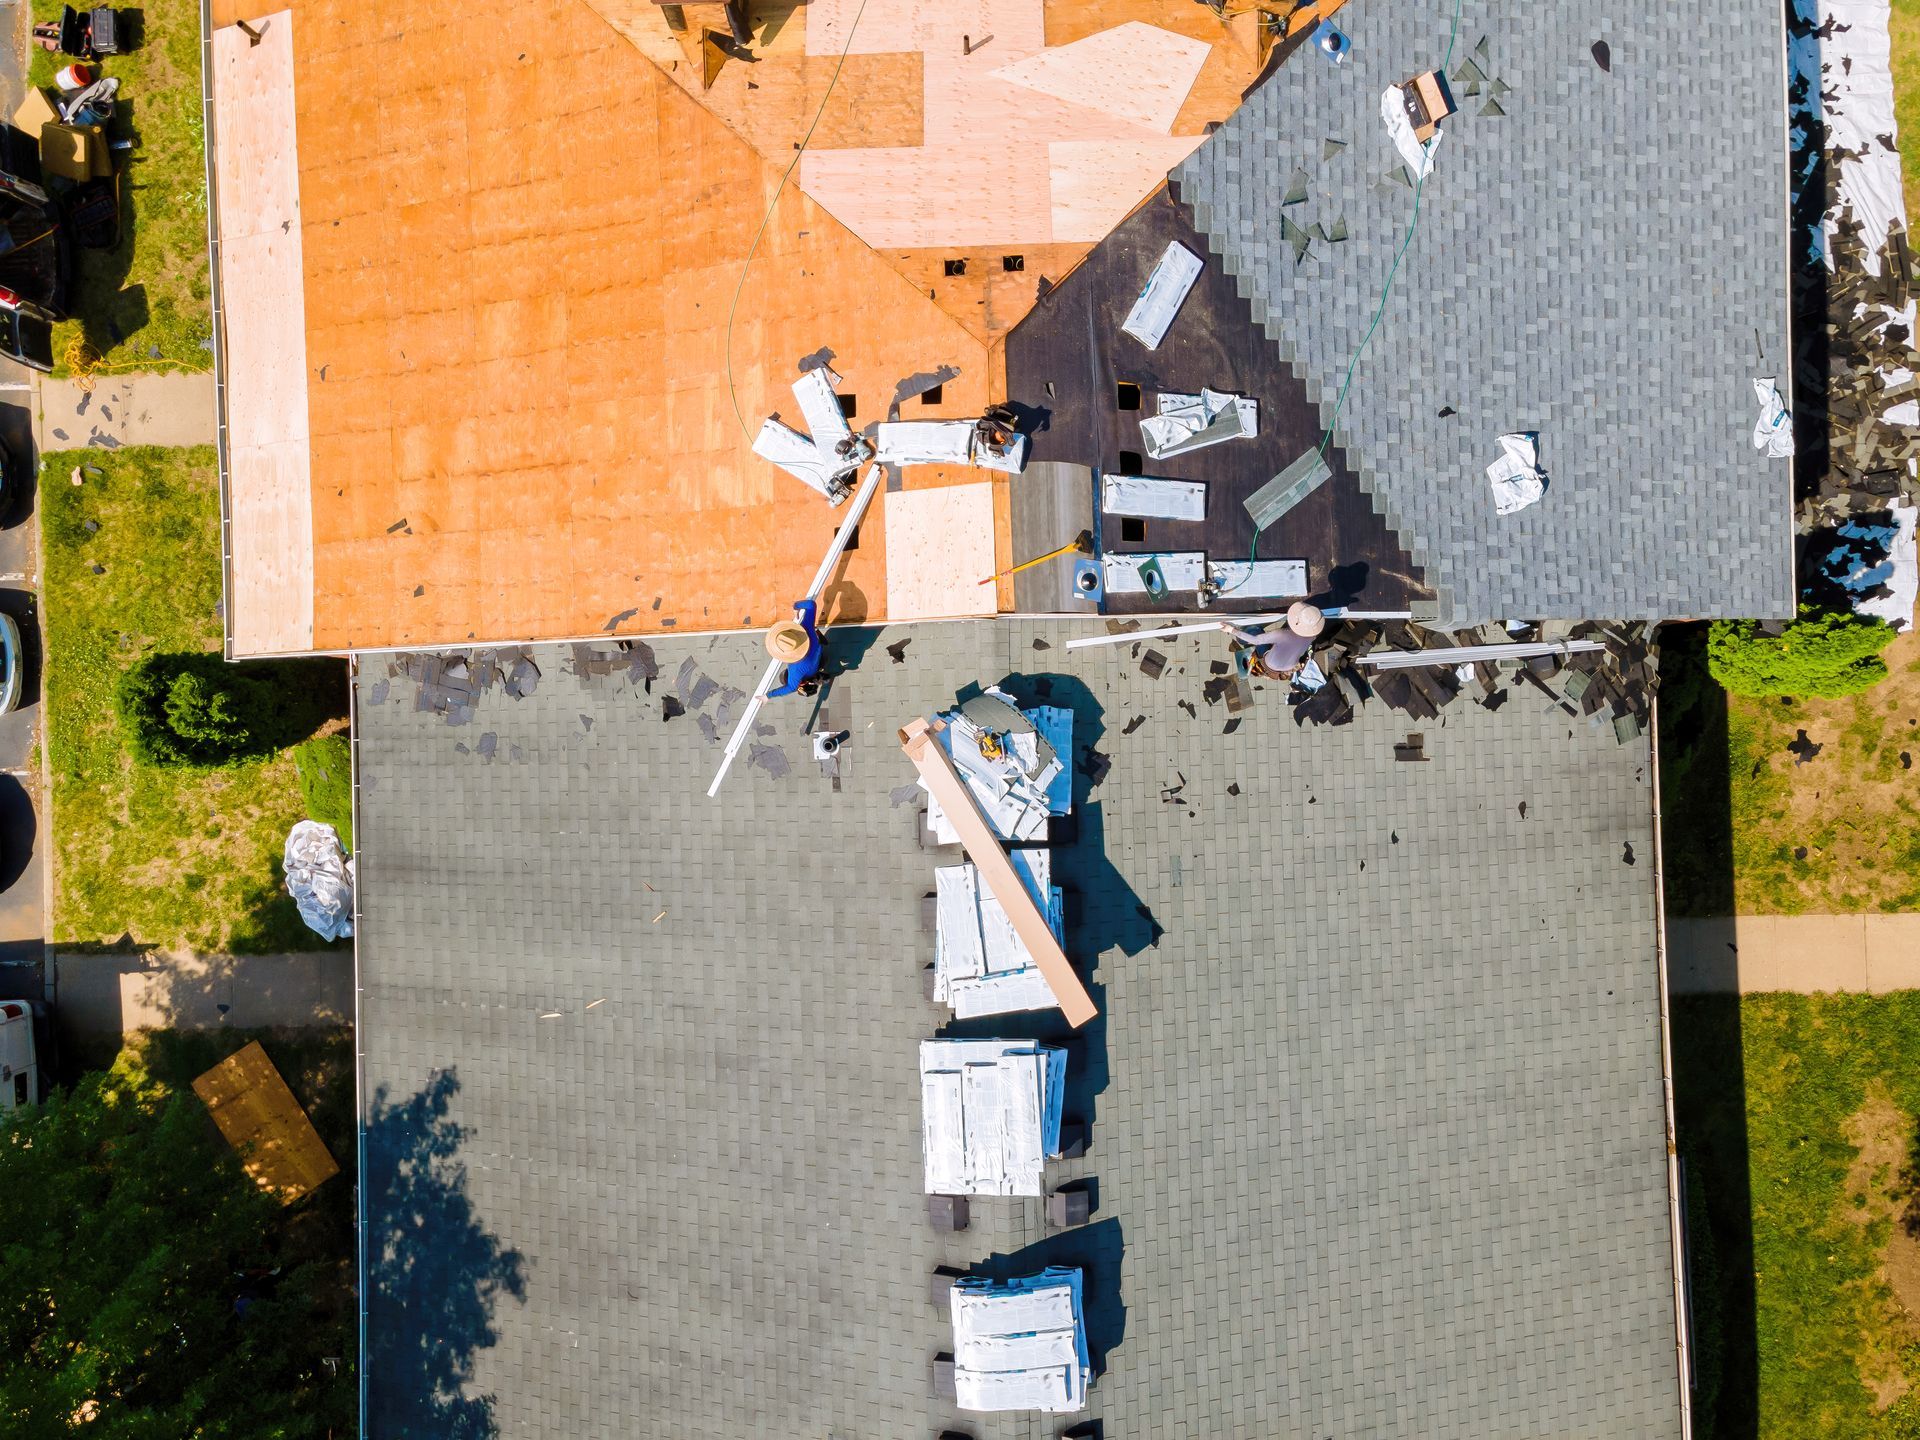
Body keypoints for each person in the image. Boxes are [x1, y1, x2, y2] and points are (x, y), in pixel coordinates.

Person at [1228, 602, 1325, 681]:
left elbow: (1256, 640)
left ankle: (1241, 640)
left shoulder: (1282, 634)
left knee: (1255, 630)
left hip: (1271, 663)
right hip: (1289, 665)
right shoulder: (1312, 635)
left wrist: (1232, 630)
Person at [765, 598, 822, 698]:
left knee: (785, 680)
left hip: (814, 666)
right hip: (815, 654)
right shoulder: (806, 629)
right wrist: (796, 606)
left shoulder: (795, 669)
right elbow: (811, 604)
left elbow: (791, 688)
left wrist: (768, 696)